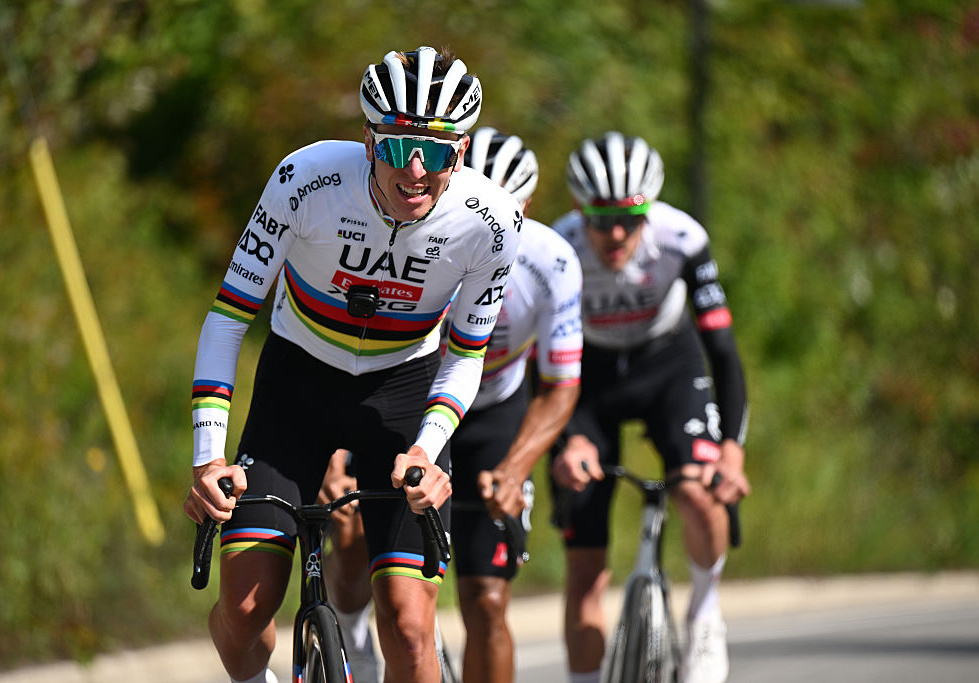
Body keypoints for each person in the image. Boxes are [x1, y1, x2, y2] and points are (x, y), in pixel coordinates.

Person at [182, 46, 523, 683]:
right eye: (397, 147)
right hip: (296, 388)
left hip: (402, 396)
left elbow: (466, 354)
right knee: (245, 611)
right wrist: (207, 457)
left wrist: (427, 451)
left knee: (412, 631)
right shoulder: (305, 179)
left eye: (437, 153)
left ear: (462, 152)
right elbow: (228, 317)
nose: (415, 171)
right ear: (369, 141)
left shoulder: (493, 223)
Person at [319, 128, 585, 683]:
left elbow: (561, 384)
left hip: (493, 414)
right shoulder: (406, 240)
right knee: (351, 537)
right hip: (405, 401)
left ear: (527, 209)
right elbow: (352, 356)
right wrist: (336, 456)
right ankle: (355, 637)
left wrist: (516, 469)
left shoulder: (553, 262)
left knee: (486, 600)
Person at [548, 131, 750, 683]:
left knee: (698, 490)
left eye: (630, 218)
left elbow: (723, 351)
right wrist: (567, 439)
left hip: (668, 367)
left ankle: (704, 611)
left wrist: (731, 451)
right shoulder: (557, 249)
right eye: (601, 219)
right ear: (579, 210)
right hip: (587, 379)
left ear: (649, 210)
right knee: (585, 568)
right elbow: (540, 360)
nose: (615, 233)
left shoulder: (682, 239)